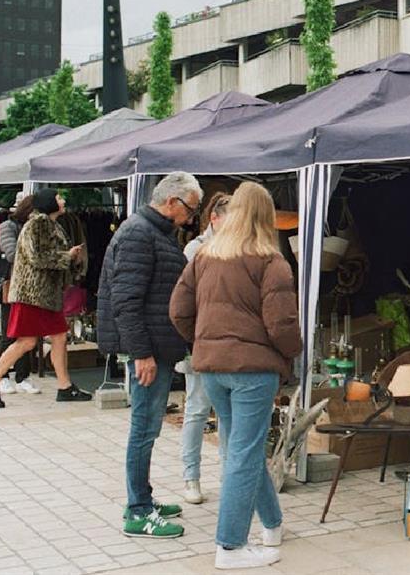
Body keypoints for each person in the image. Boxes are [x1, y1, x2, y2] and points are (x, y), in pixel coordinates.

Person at [170, 181, 300, 570]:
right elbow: (282, 324)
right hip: (252, 370)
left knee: (244, 450)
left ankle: (273, 526)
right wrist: (293, 355)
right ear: (266, 215)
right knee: (243, 454)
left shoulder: (205, 256)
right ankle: (230, 546)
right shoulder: (270, 261)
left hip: (212, 368)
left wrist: (204, 342)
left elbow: (178, 310)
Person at [98, 172, 203, 540]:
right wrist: (141, 353)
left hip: (156, 347)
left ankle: (142, 499)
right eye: (190, 209)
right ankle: (138, 511)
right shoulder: (139, 233)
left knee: (148, 428)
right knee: (143, 429)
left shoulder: (151, 232)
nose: (190, 218)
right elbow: (125, 301)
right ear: (172, 201)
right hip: (149, 351)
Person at [0, 188, 89, 408]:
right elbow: (37, 257)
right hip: (32, 294)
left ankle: (64, 386)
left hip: (45, 295)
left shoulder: (50, 224)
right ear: (49, 202)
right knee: (27, 342)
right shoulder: (37, 224)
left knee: (59, 337)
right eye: (58, 197)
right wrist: (67, 256)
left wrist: (70, 258)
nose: (62, 200)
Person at [178, 191, 230, 505]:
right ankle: (191, 476)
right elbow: (186, 299)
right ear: (215, 218)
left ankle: (228, 475)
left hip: (227, 342)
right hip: (200, 339)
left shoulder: (238, 248)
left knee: (226, 413)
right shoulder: (195, 249)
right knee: (197, 409)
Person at [0, 193, 40, 396]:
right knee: (8, 332)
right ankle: (2, 377)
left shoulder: (33, 227)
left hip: (28, 287)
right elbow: (12, 253)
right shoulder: (8, 226)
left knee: (26, 333)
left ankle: (23, 377)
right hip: (10, 285)